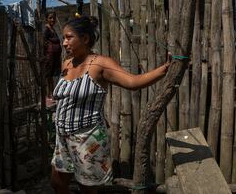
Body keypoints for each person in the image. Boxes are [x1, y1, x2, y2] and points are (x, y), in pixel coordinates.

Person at [50, 16, 171, 194]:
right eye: (64, 38)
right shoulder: (67, 63)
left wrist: (164, 69)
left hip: (87, 138)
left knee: (87, 188)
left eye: (69, 37)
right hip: (62, 137)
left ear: (85, 39)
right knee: (57, 183)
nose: (65, 43)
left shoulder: (101, 64)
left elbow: (132, 82)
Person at [44, 11, 62, 99]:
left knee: (51, 75)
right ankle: (49, 94)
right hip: (49, 56)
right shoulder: (46, 29)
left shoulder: (52, 29)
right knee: (48, 75)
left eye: (54, 18)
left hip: (55, 56)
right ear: (46, 19)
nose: (53, 19)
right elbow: (43, 41)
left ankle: (52, 92)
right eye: (50, 18)